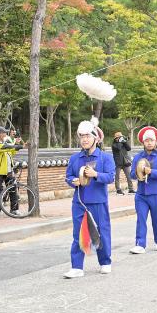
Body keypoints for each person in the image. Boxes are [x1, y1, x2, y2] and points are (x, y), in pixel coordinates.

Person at [63, 118, 115, 278]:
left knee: (101, 232)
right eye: (82, 136)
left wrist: (96, 174)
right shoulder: (75, 158)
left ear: (95, 138)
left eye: (87, 136)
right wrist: (73, 181)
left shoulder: (105, 158)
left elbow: (111, 177)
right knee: (78, 233)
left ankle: (105, 262)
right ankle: (77, 267)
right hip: (79, 201)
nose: (84, 139)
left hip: (98, 201)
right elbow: (68, 176)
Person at [128, 126, 157, 254]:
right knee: (141, 218)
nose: (149, 142)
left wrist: (150, 172)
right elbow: (132, 175)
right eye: (147, 140)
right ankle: (140, 244)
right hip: (141, 194)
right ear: (143, 142)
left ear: (156, 141)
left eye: (152, 140)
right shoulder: (138, 157)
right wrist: (138, 173)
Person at [0, 126, 23, 218]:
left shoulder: (5, 143)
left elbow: (11, 152)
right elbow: (5, 148)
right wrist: (20, 146)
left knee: (13, 189)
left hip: (8, 171)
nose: (5, 134)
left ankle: (14, 209)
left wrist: (16, 145)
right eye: (4, 133)